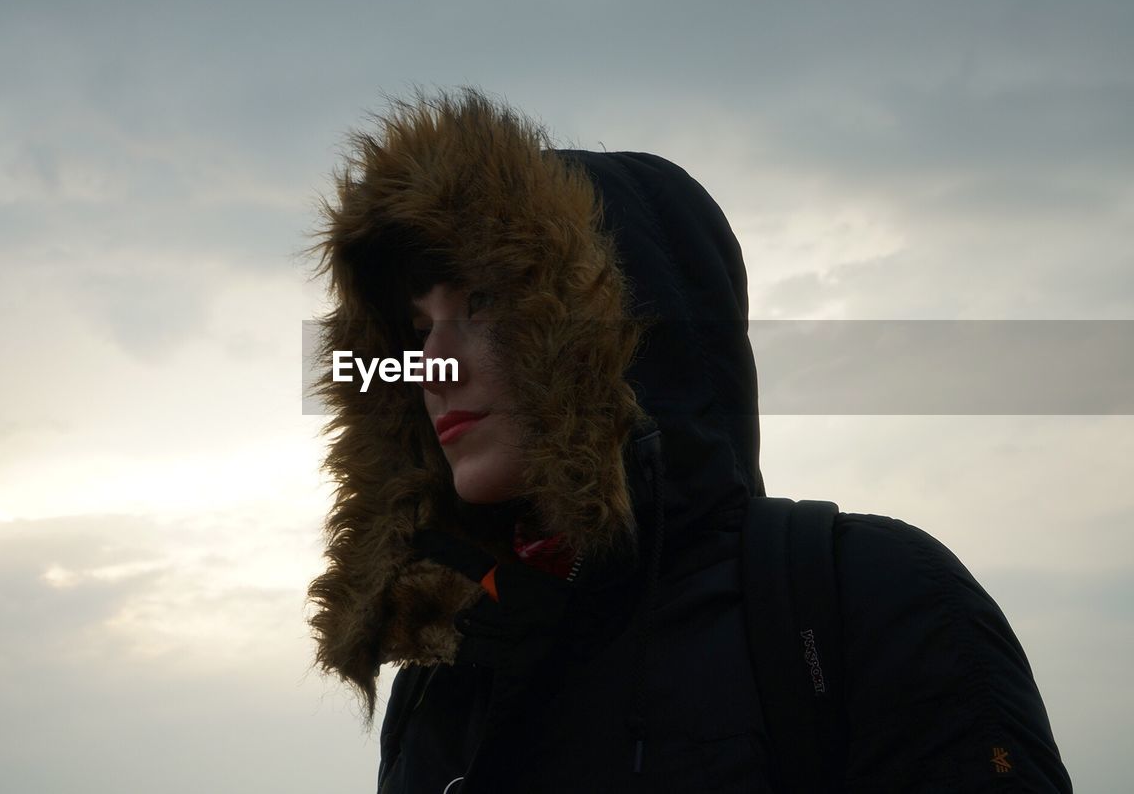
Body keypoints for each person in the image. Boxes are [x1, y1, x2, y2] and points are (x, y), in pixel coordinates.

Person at [304, 87, 1072, 792]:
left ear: (613, 329)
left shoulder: (869, 599)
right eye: (416, 328)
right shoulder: (448, 675)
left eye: (484, 302)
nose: (431, 364)